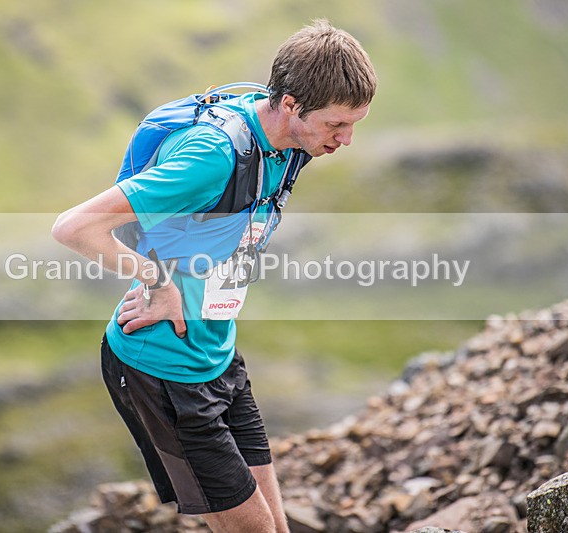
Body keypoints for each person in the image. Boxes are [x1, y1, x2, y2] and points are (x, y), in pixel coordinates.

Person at [52, 19, 376, 533]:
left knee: (277, 526)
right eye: (338, 125)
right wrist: (157, 284)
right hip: (163, 369)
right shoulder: (213, 156)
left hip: (219, 355)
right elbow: (75, 228)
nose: (348, 139)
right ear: (290, 105)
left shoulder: (287, 141)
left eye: (355, 123)